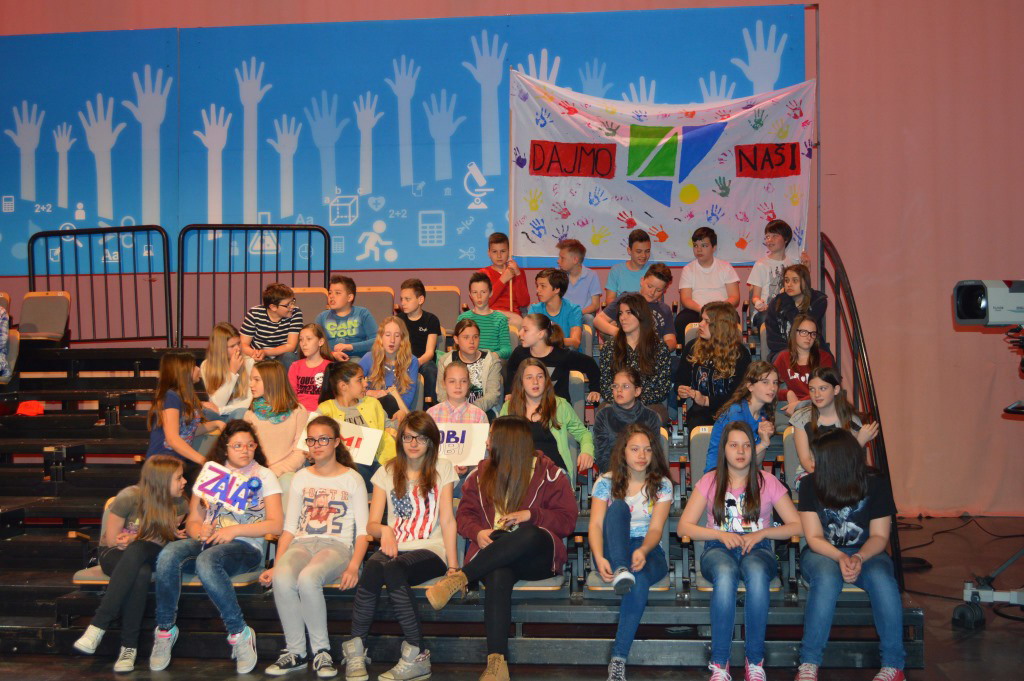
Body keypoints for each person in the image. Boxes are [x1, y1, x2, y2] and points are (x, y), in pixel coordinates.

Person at [425, 416, 578, 681]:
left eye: (491, 437)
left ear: (507, 442)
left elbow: (567, 519)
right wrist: (478, 532)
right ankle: (497, 664)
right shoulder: (479, 474)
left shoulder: (550, 473)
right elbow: (465, 516)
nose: (486, 442)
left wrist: (531, 515)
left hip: (536, 556)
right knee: (497, 573)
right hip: (494, 554)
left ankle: (461, 577)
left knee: (528, 532)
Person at [149, 420, 283, 674]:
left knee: (207, 560)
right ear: (225, 447)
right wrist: (199, 531)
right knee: (168, 554)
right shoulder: (210, 474)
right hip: (208, 543)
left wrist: (234, 530)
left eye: (250, 445)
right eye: (238, 445)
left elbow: (276, 524)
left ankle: (239, 632)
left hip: (245, 547)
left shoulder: (265, 476)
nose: (245, 450)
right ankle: (165, 630)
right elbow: (193, 520)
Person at [678, 421, 802, 681]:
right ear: (724, 449)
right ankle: (720, 664)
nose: (741, 451)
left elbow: (798, 526)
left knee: (756, 573)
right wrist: (720, 534)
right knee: (725, 574)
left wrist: (763, 533)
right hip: (717, 548)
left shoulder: (767, 481)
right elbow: (683, 527)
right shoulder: (710, 481)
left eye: (746, 445)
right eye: (734, 445)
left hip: (758, 548)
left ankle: (755, 661)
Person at [342, 412, 459, 681]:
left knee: (393, 569)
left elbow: (447, 519)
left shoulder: (443, 467)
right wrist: (385, 530)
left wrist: (453, 567)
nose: (413, 443)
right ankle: (356, 649)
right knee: (374, 567)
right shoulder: (387, 471)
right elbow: (372, 525)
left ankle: (417, 655)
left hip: (431, 549)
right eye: (408, 437)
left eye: (420, 438)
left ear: (431, 441)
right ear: (400, 440)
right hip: (396, 546)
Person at [261, 415, 368, 678]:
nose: (317, 445)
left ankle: (322, 651)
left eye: (323, 439)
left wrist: (354, 566)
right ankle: (296, 652)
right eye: (311, 440)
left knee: (309, 578)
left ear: (336, 442)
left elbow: (364, 533)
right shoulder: (300, 478)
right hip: (302, 542)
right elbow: (289, 528)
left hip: (336, 546)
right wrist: (276, 565)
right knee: (283, 576)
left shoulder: (352, 479)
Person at [796, 429, 905, 681]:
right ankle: (809, 663)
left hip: (867, 551)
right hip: (823, 552)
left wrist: (859, 558)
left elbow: (879, 536)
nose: (812, 462)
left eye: (817, 457)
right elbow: (814, 537)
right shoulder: (810, 484)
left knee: (883, 580)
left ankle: (894, 666)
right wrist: (840, 557)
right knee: (827, 578)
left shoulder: (876, 484)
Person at [72, 456, 189, 672]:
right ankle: (129, 647)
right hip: (114, 554)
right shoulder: (129, 497)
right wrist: (124, 541)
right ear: (161, 480)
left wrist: (134, 538)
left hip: (150, 551)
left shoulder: (180, 503)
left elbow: (163, 538)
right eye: (179, 478)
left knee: (139, 550)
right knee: (141, 572)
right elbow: (110, 539)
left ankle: (98, 626)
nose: (184, 482)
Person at [588, 424, 672, 681]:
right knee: (618, 509)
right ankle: (621, 569)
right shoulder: (606, 482)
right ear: (623, 451)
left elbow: (656, 529)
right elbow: (596, 525)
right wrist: (599, 557)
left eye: (647, 450)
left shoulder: (663, 485)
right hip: (616, 547)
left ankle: (618, 659)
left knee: (639, 580)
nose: (641, 455)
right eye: (635, 449)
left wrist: (644, 549)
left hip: (649, 549)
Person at [500, 358, 595, 475]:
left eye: (540, 377)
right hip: (521, 472)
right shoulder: (509, 407)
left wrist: (587, 451)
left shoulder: (560, 405)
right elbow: (499, 439)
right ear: (521, 382)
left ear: (546, 380)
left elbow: (583, 433)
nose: (535, 382)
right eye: (529, 377)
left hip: (554, 473)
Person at [311, 361, 397, 488]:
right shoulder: (326, 410)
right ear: (343, 386)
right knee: (354, 472)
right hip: (349, 465)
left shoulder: (372, 403)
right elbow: (311, 440)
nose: (365, 384)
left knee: (391, 473)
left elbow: (389, 425)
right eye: (360, 380)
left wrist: (397, 423)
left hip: (381, 460)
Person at [790, 367, 880, 488]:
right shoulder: (802, 418)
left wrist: (859, 442)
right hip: (812, 473)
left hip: (844, 472)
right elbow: (806, 461)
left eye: (823, 388)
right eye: (812, 389)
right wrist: (859, 442)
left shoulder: (851, 420)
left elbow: (849, 462)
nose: (817, 394)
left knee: (873, 482)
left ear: (836, 389)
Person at [146, 352, 224, 480]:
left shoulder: (185, 398)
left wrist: (216, 424)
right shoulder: (170, 397)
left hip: (177, 463)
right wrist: (203, 461)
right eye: (194, 366)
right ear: (183, 372)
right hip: (162, 465)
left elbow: (187, 432)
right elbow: (173, 439)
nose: (198, 369)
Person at [675, 301, 752, 431]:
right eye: (701, 319)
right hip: (701, 411)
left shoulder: (740, 354)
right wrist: (681, 389)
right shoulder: (692, 347)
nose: (700, 324)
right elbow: (680, 380)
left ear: (720, 326)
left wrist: (707, 400)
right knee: (697, 421)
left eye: (707, 321)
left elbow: (740, 394)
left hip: (731, 409)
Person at [598, 293, 672, 422]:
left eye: (629, 313)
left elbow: (662, 388)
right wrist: (624, 401)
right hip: (617, 403)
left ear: (641, 315)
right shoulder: (609, 347)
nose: (623, 318)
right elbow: (605, 386)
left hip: (649, 405)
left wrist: (634, 402)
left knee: (653, 418)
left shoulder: (659, 347)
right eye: (620, 313)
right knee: (605, 415)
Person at [505, 313, 600, 404]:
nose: (520, 333)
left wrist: (595, 389)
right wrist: (509, 392)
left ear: (540, 334)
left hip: (558, 409)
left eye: (525, 330)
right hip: (528, 408)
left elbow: (590, 364)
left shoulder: (562, 356)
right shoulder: (519, 353)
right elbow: (510, 370)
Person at [704, 361, 778, 473]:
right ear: (750, 386)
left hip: (744, 471)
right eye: (765, 382)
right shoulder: (736, 413)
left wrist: (764, 441)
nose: (772, 388)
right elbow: (737, 459)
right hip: (721, 473)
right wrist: (763, 444)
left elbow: (756, 463)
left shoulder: (763, 415)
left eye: (775, 382)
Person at [428, 361, 489, 496]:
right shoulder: (431, 414)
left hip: (468, 477)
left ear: (469, 384)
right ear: (444, 383)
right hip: (437, 476)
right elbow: (427, 450)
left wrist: (468, 467)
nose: (458, 386)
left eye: (463, 381)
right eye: (452, 381)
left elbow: (484, 455)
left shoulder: (479, 416)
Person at [243, 360, 309, 476]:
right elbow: (246, 449)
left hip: (287, 473)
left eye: (256, 380)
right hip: (258, 473)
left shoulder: (298, 411)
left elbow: (301, 451)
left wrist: (275, 473)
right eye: (251, 379)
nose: (251, 384)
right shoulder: (250, 413)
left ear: (272, 382)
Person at [594, 368, 662, 473]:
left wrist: (637, 476)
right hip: (614, 474)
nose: (619, 390)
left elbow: (654, 455)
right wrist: (622, 475)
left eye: (625, 386)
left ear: (637, 391)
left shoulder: (651, 417)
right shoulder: (603, 416)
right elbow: (602, 457)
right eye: (615, 386)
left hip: (643, 474)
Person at [676, 226, 740, 337]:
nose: (699, 250)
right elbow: (685, 299)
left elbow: (734, 297)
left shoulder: (726, 267)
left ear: (714, 248)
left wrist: (717, 310)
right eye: (695, 246)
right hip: (697, 311)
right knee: (681, 321)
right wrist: (702, 310)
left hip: (721, 311)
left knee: (732, 319)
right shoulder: (688, 269)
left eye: (704, 246)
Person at [595, 263, 677, 350]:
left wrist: (658, 350)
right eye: (649, 286)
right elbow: (598, 320)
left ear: (664, 290)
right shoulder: (626, 299)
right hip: (626, 350)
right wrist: (619, 333)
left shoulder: (665, 310)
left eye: (658, 290)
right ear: (642, 281)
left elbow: (671, 340)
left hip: (652, 351)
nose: (652, 292)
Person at [435, 318, 503, 418]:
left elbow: (492, 395)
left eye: (475, 337)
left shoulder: (491, 361)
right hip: (452, 412)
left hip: (484, 411)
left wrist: (469, 410)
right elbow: (442, 394)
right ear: (456, 339)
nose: (472, 341)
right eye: (466, 337)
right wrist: (457, 410)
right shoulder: (445, 361)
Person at [747, 219, 807, 329]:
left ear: (786, 239)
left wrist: (807, 267)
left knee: (802, 318)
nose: (770, 240)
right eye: (767, 237)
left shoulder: (793, 264)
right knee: (770, 318)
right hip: (765, 312)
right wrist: (758, 302)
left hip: (788, 309)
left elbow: (802, 291)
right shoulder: (761, 264)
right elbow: (755, 296)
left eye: (774, 236)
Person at [774, 315, 834, 420]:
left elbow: (826, 390)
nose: (808, 337)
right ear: (794, 333)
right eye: (804, 332)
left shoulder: (824, 358)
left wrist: (799, 404)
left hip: (817, 406)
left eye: (813, 334)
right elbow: (769, 386)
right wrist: (787, 393)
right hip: (790, 406)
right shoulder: (783, 357)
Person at [359, 316, 420, 420]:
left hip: (398, 415)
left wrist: (387, 394)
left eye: (397, 336)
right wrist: (372, 393)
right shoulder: (369, 358)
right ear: (381, 337)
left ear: (402, 339)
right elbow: (352, 386)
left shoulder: (412, 361)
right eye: (388, 335)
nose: (392, 340)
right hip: (371, 413)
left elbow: (407, 400)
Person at [764, 264, 828, 361]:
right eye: (786, 280)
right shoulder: (776, 303)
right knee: (785, 358)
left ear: (805, 282)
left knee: (827, 360)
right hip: (784, 351)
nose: (789, 284)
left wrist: (788, 303)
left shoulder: (818, 301)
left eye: (795, 280)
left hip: (811, 349)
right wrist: (786, 300)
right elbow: (773, 339)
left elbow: (803, 327)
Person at [396, 278, 441, 406]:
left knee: (430, 369)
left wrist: (416, 363)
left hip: (423, 362)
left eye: (407, 299)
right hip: (402, 361)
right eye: (401, 299)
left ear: (420, 300)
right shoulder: (398, 320)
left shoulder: (431, 320)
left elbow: (430, 353)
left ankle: (430, 406)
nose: (403, 303)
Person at [240, 282, 304, 369]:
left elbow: (290, 346)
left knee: (289, 357)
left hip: (281, 356)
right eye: (288, 304)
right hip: (258, 356)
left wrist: (266, 352)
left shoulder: (295, 313)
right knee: (246, 360)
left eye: (293, 301)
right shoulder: (254, 313)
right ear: (273, 307)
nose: (292, 306)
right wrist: (255, 354)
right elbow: (243, 344)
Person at [315, 274, 378, 362]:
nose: (331, 296)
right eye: (330, 293)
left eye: (337, 293)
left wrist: (350, 347)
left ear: (349, 297)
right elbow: (315, 344)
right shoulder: (322, 317)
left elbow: (377, 340)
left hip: (356, 359)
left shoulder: (362, 313)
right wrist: (332, 354)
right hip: (330, 359)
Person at [200, 322, 254, 421]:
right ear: (220, 349)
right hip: (220, 414)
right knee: (206, 412)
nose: (238, 348)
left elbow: (250, 402)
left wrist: (223, 410)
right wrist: (232, 373)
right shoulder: (206, 366)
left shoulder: (249, 362)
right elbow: (217, 404)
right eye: (232, 346)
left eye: (239, 343)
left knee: (240, 413)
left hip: (237, 413)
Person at [457, 272, 512, 360]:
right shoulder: (462, 318)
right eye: (475, 292)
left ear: (490, 293)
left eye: (483, 292)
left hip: (492, 361)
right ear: (470, 295)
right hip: (469, 360)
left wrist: (492, 356)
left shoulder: (500, 319)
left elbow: (507, 349)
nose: (479, 296)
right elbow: (459, 345)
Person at [479, 231, 529, 326]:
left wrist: (518, 275)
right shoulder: (483, 274)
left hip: (513, 318)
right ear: (489, 253)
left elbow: (524, 303)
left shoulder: (518, 272)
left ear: (509, 252)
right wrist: (503, 280)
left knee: (519, 322)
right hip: (491, 316)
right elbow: (483, 302)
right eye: (494, 252)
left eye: (503, 251)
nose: (499, 256)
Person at [526, 268, 583, 350]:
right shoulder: (535, 310)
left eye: (543, 286)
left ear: (556, 289)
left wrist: (548, 341)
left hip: (566, 354)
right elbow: (529, 338)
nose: (538, 290)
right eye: (537, 286)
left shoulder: (573, 310)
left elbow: (575, 342)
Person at [288, 323, 334, 412]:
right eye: (301, 340)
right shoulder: (295, 366)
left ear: (321, 342)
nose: (304, 344)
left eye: (309, 339)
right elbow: (291, 396)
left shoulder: (330, 367)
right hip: (300, 412)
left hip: (322, 413)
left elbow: (332, 398)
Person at [604, 229, 653, 305]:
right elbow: (610, 300)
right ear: (629, 250)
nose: (643, 255)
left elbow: (657, 302)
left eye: (647, 251)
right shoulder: (616, 270)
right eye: (639, 251)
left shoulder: (653, 271)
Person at [557, 238, 603, 317]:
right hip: (563, 316)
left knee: (589, 318)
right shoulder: (557, 275)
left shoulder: (592, 275)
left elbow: (595, 305)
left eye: (562, 258)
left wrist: (577, 313)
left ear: (575, 260)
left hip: (583, 314)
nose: (558, 261)